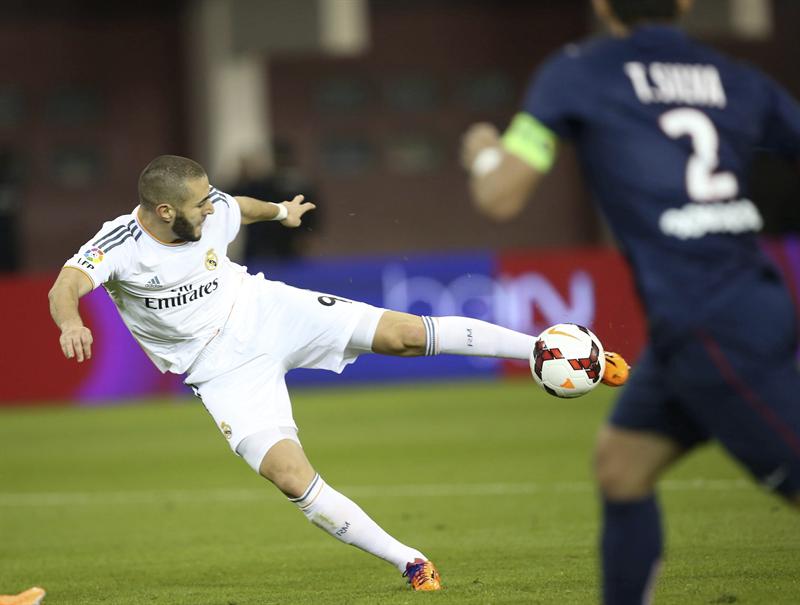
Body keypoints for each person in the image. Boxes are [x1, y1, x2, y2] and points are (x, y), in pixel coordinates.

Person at [48, 154, 622, 592]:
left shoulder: (208, 208)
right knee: (290, 476)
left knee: (402, 334)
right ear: (165, 211)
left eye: (209, 199)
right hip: (219, 370)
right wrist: (71, 321)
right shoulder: (121, 242)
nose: (212, 208)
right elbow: (65, 284)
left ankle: (547, 352)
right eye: (199, 205)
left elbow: (235, 205)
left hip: (268, 311)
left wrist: (280, 212)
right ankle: (412, 562)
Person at [461, 0, 800, 602]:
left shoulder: (578, 73)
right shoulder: (734, 76)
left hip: (714, 328)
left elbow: (500, 197)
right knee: (621, 466)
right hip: (710, 319)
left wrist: (483, 150)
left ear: (601, 5)